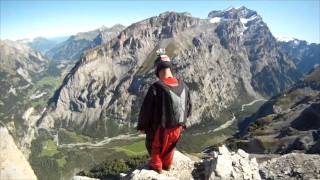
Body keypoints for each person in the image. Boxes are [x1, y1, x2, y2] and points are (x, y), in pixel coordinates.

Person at [137, 49, 192, 173]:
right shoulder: (184, 86)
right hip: (178, 128)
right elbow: (189, 108)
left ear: (158, 70)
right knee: (170, 147)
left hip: (162, 130)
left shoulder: (156, 87)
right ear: (170, 69)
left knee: (154, 147)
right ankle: (167, 164)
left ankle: (156, 166)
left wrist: (142, 126)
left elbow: (146, 110)